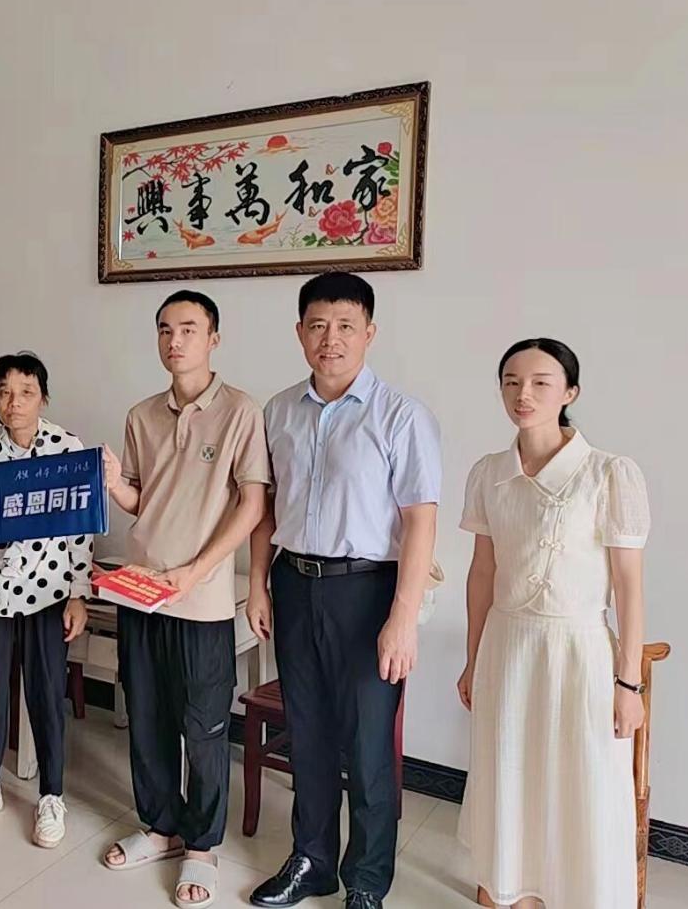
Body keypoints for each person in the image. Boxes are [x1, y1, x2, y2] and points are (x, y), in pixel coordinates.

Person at [247, 272, 440, 909]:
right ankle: (312, 861)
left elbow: (420, 521)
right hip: (293, 584)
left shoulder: (401, 416)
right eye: (318, 326)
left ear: (369, 333)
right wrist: (258, 584)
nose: (330, 339)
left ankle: (367, 880)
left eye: (345, 326)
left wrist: (402, 617)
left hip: (368, 592)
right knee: (308, 732)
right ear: (300, 332)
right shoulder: (278, 411)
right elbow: (265, 508)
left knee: (367, 744)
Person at [456, 339, 648, 909]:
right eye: (512, 382)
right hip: (508, 645)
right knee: (509, 770)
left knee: (581, 777)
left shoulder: (608, 473)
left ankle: (574, 893)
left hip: (579, 650)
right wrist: (472, 660)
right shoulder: (488, 473)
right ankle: (512, 888)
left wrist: (629, 682)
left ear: (570, 393)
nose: (524, 394)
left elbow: (629, 586)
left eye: (541, 382)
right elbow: (482, 573)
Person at [101, 290, 270, 909]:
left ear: (213, 339)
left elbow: (253, 504)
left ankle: (201, 844)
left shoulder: (240, 411)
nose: (176, 341)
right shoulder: (141, 414)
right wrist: (114, 484)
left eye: (190, 329)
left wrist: (197, 571)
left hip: (200, 600)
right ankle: (160, 827)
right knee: (146, 716)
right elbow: (143, 500)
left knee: (203, 727)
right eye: (166, 330)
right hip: (141, 590)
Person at [0, 351, 91, 847]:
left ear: (43, 398)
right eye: (4, 392)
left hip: (48, 591)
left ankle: (51, 795)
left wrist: (78, 595)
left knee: (46, 695)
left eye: (26, 392)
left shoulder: (67, 448)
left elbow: (80, 529)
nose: (14, 402)